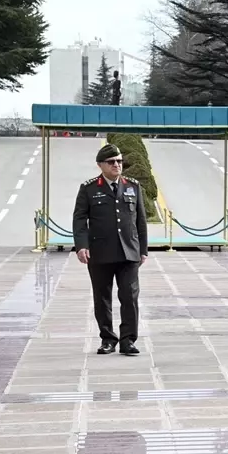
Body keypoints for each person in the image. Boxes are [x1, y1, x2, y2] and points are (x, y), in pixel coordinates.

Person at [72, 143, 148, 356]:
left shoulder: (133, 186)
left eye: (119, 161)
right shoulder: (89, 188)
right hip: (100, 251)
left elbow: (140, 220)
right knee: (102, 297)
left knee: (130, 296)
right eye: (112, 162)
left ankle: (128, 340)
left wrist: (143, 249)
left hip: (129, 252)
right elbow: (79, 219)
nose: (117, 165)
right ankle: (108, 339)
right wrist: (81, 246)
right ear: (100, 165)